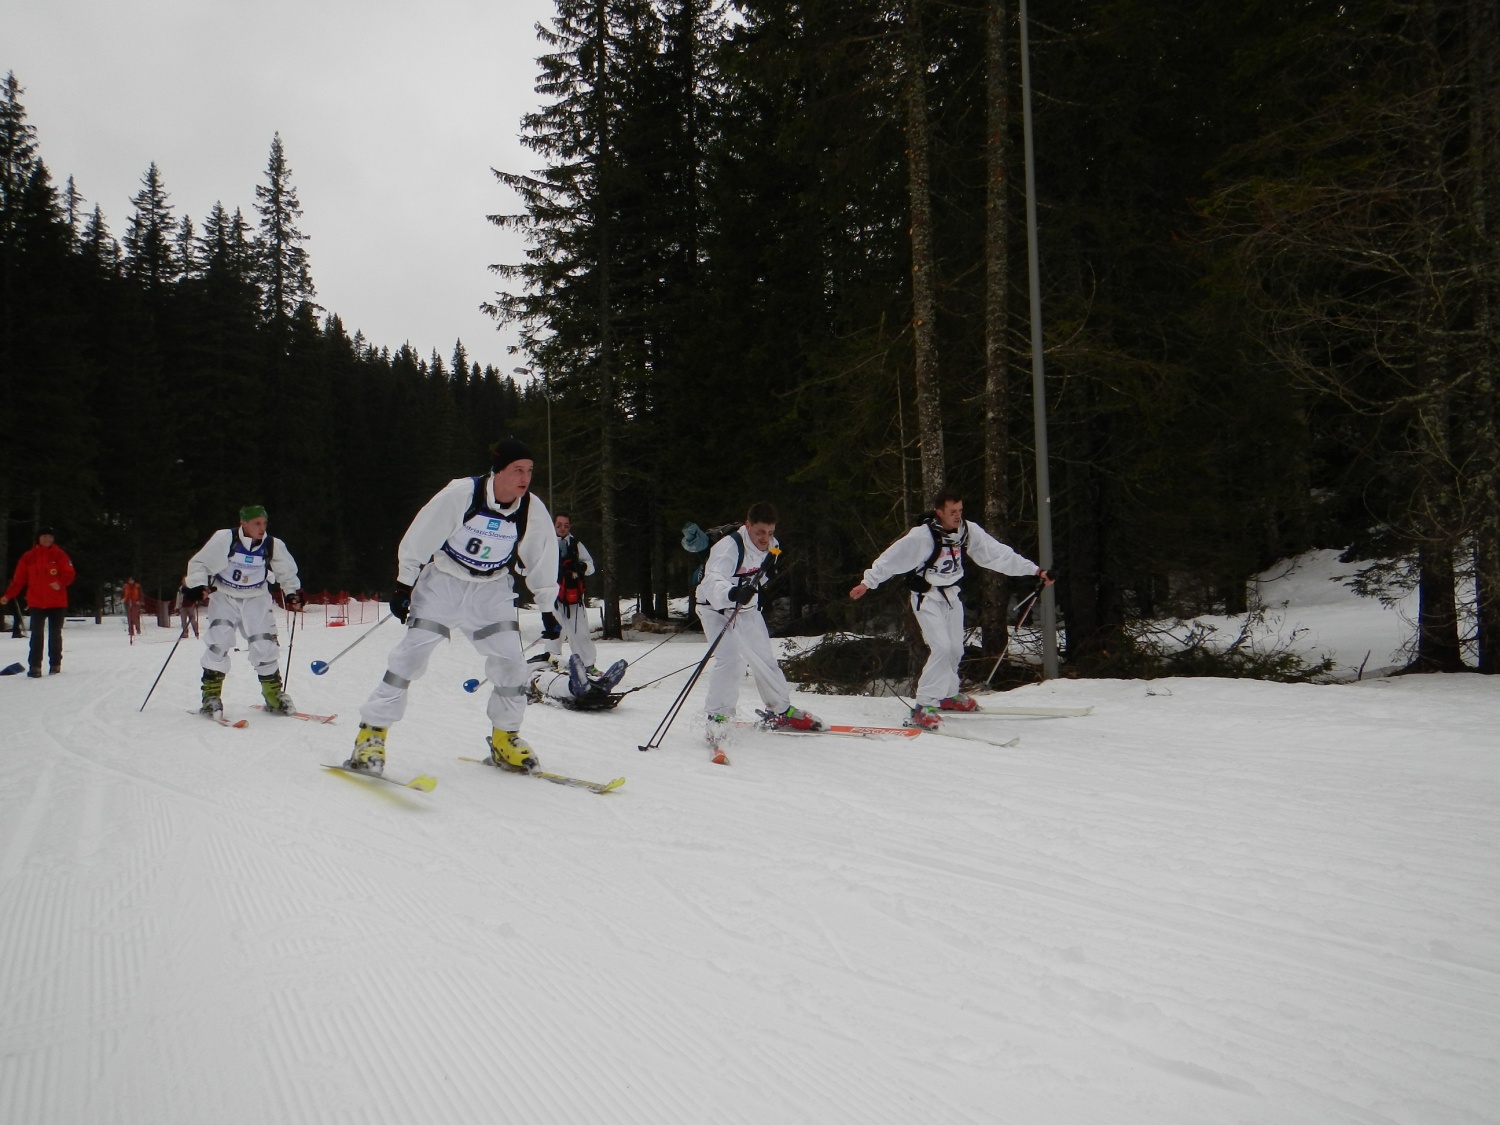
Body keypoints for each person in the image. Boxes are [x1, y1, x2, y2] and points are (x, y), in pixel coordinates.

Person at [350, 437, 559, 776]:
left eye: (530, 471)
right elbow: (421, 533)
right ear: (497, 471)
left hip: (491, 592)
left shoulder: (532, 509)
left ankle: (506, 736)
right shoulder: (463, 493)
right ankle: (371, 734)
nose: (525, 478)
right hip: (444, 584)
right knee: (410, 657)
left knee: (511, 664)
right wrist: (404, 583)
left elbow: (543, 558)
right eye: (517, 470)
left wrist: (547, 609)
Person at [850, 490, 1052, 729]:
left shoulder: (967, 530)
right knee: (942, 648)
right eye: (952, 512)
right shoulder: (922, 536)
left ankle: (947, 694)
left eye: (960, 511)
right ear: (939, 512)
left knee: (955, 648)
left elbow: (998, 554)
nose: (957, 516)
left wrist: (1036, 571)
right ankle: (923, 706)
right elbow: (892, 558)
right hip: (927, 598)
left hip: (951, 596)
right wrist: (868, 582)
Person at [695, 501, 822, 752]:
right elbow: (712, 582)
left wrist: (747, 594)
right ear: (748, 526)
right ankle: (717, 718)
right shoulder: (728, 547)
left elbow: (764, 572)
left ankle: (781, 710)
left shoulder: (773, 547)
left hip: (747, 608)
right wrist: (732, 593)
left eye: (770, 532)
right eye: (760, 532)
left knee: (764, 658)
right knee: (731, 659)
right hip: (715, 607)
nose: (765, 538)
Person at [183, 505, 303, 717]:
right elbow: (200, 563)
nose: (261, 528)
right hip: (224, 596)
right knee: (219, 642)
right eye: (256, 523)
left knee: (264, 644)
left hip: (256, 597)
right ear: (243, 523)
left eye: (264, 523)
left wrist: (292, 592)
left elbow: (287, 570)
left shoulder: (272, 544)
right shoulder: (225, 538)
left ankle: (273, 694)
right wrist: (197, 585)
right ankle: (210, 696)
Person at [2, 526, 75, 677]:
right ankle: (35, 666)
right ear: (38, 538)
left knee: (55, 635)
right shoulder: (28, 557)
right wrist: (8, 596)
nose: (47, 539)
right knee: (36, 635)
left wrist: (60, 583)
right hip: (36, 602)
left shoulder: (60, 555)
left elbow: (70, 574)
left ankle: (55, 664)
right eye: (44, 537)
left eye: (50, 537)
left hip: (57, 602)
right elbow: (19, 580)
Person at [538, 512, 600, 672]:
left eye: (566, 525)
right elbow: (525, 567)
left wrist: (582, 567)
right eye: (559, 525)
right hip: (552, 596)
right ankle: (551, 663)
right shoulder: (544, 543)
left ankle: (587, 665)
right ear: (552, 525)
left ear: (570, 527)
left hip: (573, 596)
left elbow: (590, 566)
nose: (562, 528)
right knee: (554, 631)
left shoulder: (575, 544)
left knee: (580, 633)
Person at [529, 653, 628, 711]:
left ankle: (600, 685)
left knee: (579, 676)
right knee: (554, 682)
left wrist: (550, 657)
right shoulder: (522, 668)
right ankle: (579, 687)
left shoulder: (541, 658)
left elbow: (568, 664)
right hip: (540, 677)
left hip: (564, 673)